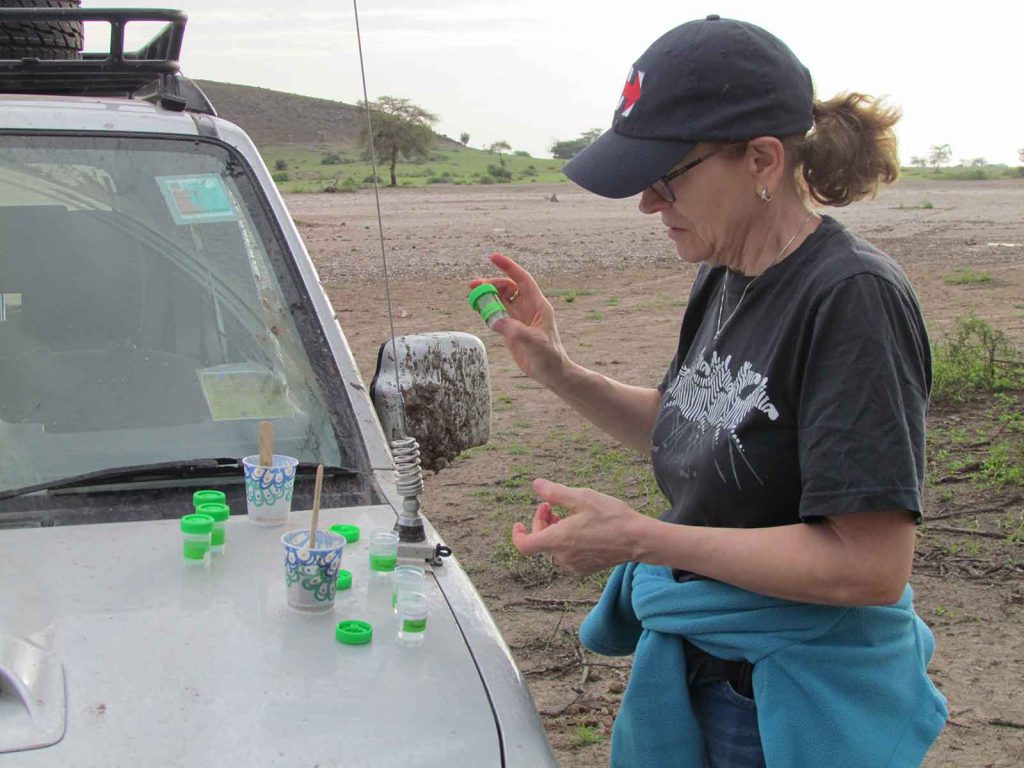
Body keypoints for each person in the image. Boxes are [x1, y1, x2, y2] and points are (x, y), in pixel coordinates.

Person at [471, 15, 947, 768]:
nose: (647, 203)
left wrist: (642, 538)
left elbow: (870, 565)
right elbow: (696, 427)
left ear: (761, 160)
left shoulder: (852, 298)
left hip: (786, 694)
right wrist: (560, 371)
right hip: (711, 665)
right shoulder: (725, 271)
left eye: (666, 176)